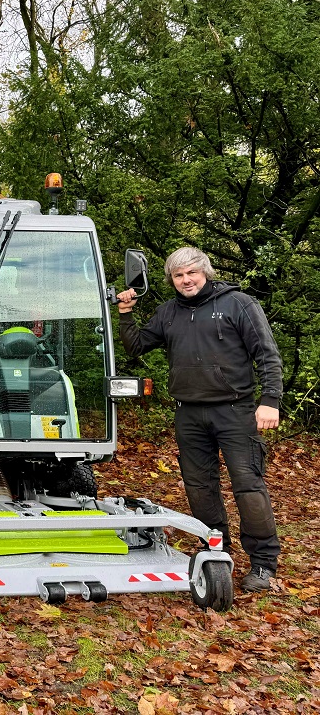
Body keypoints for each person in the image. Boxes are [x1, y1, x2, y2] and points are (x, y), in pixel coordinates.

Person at [117, 246, 283, 593]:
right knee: (199, 487)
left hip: (236, 410)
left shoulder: (238, 303)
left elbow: (266, 353)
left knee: (247, 485)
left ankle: (264, 564)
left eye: (191, 273)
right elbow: (137, 346)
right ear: (171, 281)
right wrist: (126, 312)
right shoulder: (169, 312)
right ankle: (215, 549)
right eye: (178, 276)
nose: (185, 280)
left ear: (205, 272)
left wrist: (270, 400)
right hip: (189, 412)